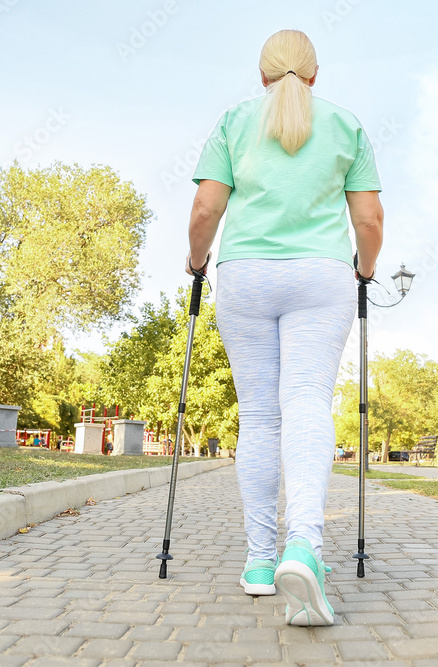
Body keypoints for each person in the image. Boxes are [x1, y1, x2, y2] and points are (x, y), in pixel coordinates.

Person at [186, 29, 383, 626]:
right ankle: (306, 549)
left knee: (260, 416)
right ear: (315, 75)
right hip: (321, 276)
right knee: (304, 405)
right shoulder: (346, 124)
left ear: (262, 76)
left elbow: (205, 210)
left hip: (245, 275)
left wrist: (196, 262)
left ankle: (259, 563)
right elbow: (369, 218)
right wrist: (364, 271)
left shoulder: (233, 122)